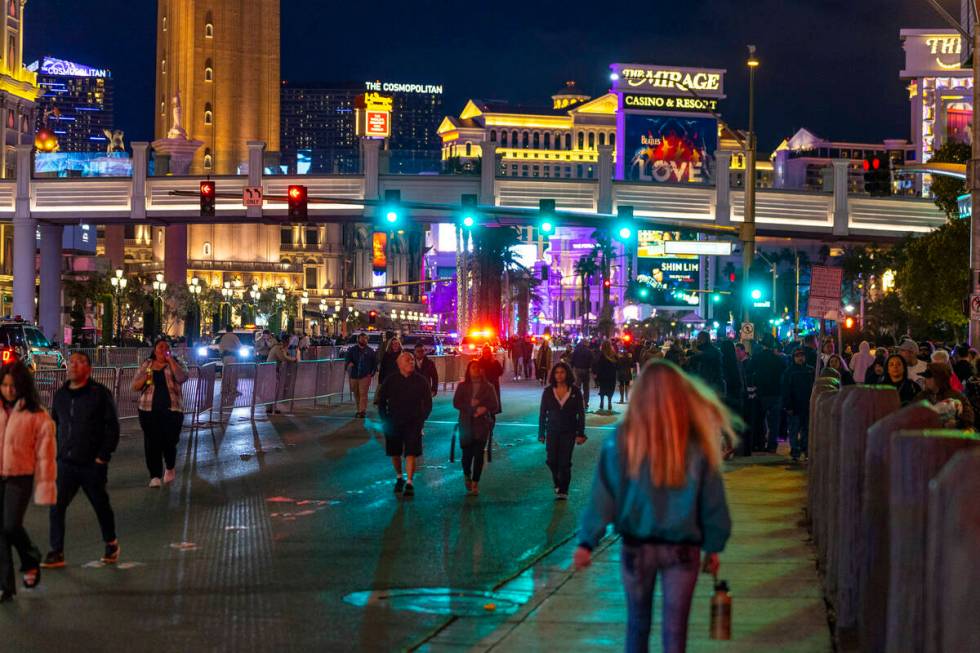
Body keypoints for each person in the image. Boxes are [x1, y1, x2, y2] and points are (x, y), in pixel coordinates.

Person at [575, 360, 733, 653]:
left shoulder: (623, 439)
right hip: (683, 547)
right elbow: (712, 499)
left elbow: (603, 496)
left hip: (637, 547)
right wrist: (713, 545)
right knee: (675, 630)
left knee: (637, 624)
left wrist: (587, 541)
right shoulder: (695, 441)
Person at [41, 352, 120, 570]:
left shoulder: (99, 394)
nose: (74, 366)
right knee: (57, 506)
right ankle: (56, 551)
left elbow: (112, 427)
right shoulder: (61, 396)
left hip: (92, 463)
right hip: (66, 462)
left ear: (89, 369)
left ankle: (111, 542)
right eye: (72, 362)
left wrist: (102, 456)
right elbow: (54, 424)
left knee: (100, 504)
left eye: (80, 362)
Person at [0, 361, 56, 602]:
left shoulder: (37, 414)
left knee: (10, 525)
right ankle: (5, 585)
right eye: (4, 385)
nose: (9, 390)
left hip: (19, 476)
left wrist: (45, 487)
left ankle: (31, 557)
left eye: (14, 385)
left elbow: (46, 454)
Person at [132, 339, 188, 487]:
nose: (163, 349)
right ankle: (155, 475)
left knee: (170, 441)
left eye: (166, 347)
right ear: (155, 350)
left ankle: (170, 466)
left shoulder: (177, 362)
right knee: (151, 442)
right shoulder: (147, 364)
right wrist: (146, 376)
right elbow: (135, 386)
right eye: (160, 347)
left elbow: (182, 378)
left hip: (173, 409)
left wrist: (171, 361)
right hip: (148, 409)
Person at [375, 352, 433, 498]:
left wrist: (422, 419)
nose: (411, 362)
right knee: (395, 452)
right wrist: (385, 418)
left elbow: (427, 402)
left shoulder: (421, 381)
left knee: (411, 452)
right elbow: (381, 401)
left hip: (413, 422)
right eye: (408, 360)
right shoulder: (391, 380)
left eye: (412, 360)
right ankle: (399, 477)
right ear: (399, 364)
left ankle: (409, 482)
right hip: (394, 421)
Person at [538, 362, 586, 499]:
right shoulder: (548, 392)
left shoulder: (575, 391)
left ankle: (563, 490)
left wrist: (580, 433)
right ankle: (557, 482)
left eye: (562, 372)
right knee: (551, 460)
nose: (559, 375)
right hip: (552, 431)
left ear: (567, 374)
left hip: (569, 431)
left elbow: (581, 414)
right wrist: (541, 433)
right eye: (556, 372)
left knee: (564, 462)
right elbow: (542, 413)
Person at [452, 361, 499, 496]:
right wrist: (470, 407)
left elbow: (494, 404)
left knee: (478, 455)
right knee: (467, 455)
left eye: (478, 367)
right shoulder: (462, 386)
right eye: (472, 367)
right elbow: (456, 403)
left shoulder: (488, 387)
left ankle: (475, 482)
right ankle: (467, 474)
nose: (475, 370)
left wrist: (484, 408)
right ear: (468, 370)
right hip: (466, 423)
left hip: (481, 425)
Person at [745, 338, 786, 453]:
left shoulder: (757, 357)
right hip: (776, 392)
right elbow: (784, 370)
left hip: (761, 392)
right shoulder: (778, 359)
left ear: (763, 346)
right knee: (774, 422)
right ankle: (772, 445)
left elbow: (748, 370)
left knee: (760, 420)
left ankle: (760, 442)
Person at [914, 363, 975, 430]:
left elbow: (969, 417)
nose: (925, 380)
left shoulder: (956, 395)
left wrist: (956, 424)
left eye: (928, 377)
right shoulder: (921, 396)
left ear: (939, 378)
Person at [781, 348, 815, 463]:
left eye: (802, 356)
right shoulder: (789, 372)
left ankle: (805, 451)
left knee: (806, 430)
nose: (800, 358)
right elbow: (786, 390)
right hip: (794, 406)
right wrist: (788, 406)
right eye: (797, 356)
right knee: (794, 430)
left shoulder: (810, 370)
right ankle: (795, 451)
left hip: (807, 405)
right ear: (794, 358)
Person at [344, 333, 377, 419]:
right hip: (354, 375)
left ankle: (362, 411)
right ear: (358, 339)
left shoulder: (370, 351)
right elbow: (347, 359)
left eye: (365, 339)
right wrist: (349, 364)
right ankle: (359, 409)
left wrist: (371, 373)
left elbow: (374, 363)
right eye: (362, 338)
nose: (363, 340)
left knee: (363, 393)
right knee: (356, 393)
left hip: (365, 376)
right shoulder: (352, 350)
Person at [266, 334, 297, 415]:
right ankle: (271, 408)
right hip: (271, 370)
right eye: (289, 341)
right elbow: (282, 358)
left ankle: (271, 407)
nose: (290, 342)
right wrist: (294, 359)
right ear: (286, 341)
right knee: (273, 389)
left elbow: (285, 356)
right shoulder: (278, 347)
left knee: (273, 389)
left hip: (273, 370)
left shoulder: (281, 347)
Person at [593, 341, 618, 414]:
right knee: (610, 388)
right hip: (611, 375)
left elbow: (596, 364)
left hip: (602, 375)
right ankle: (609, 402)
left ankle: (601, 402)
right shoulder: (613, 354)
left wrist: (595, 374)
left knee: (603, 388)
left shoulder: (600, 354)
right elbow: (617, 363)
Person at [571, 340, 594, 411]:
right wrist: (590, 368)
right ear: (586, 343)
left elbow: (573, 359)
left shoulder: (576, 350)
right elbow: (591, 361)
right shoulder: (589, 351)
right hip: (586, 370)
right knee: (586, 388)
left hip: (578, 369)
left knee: (577, 387)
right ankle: (586, 403)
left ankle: (577, 402)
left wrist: (572, 367)